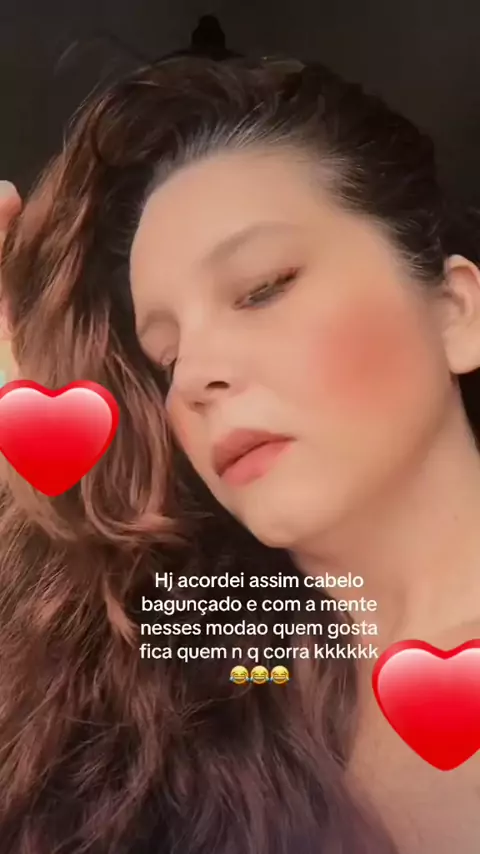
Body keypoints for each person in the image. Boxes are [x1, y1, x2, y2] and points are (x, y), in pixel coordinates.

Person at [0, 55, 480, 854]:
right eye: (164, 357)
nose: (194, 377)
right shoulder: (172, 700)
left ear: (456, 311)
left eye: (262, 288)